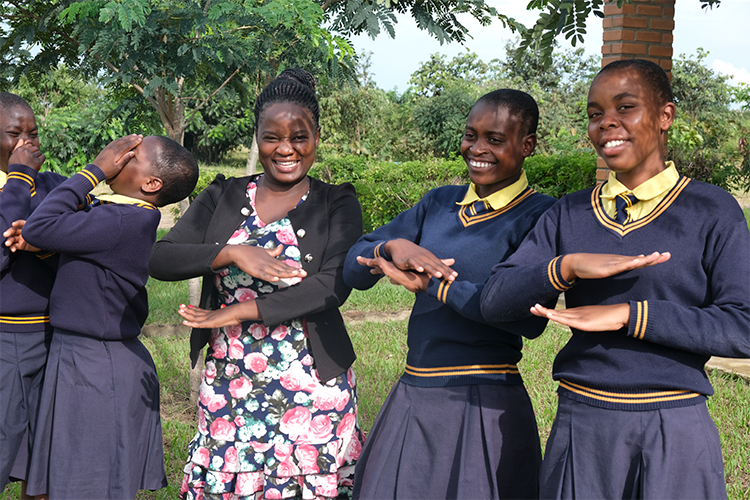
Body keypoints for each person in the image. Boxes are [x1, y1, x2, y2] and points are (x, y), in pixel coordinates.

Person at [480, 59, 750, 500]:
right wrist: (565, 267)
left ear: (665, 116)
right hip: (581, 425)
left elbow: (743, 326)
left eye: (625, 107)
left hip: (674, 426)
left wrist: (631, 314)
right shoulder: (569, 213)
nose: (606, 123)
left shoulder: (712, 211)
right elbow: (495, 302)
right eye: (594, 114)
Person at [148, 68, 365, 500]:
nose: (286, 149)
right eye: (272, 137)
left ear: (317, 136)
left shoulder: (336, 201)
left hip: (311, 381)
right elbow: (161, 257)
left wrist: (236, 311)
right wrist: (229, 252)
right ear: (257, 137)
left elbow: (331, 286)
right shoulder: (224, 195)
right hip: (233, 373)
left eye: (299, 136)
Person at [343, 89, 556, 500]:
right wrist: (389, 248)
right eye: (470, 135)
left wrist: (435, 286)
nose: (477, 149)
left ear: (527, 145)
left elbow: (527, 318)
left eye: (495, 139)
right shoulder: (439, 203)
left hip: (485, 400)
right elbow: (354, 270)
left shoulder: (541, 215)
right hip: (415, 391)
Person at [17, 134, 199, 500]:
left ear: (151, 184)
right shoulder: (117, 215)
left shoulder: (123, 220)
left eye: (132, 156)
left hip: (97, 368)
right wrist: (47, 243)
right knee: (51, 484)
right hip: (80, 358)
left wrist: (94, 169)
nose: (119, 156)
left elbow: (40, 226)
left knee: (83, 484)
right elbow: (72, 255)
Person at [0, 92, 66, 499]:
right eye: (13, 133)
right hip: (6, 341)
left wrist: (42, 243)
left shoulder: (55, 187)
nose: (27, 143)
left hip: (56, 338)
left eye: (33, 133)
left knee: (45, 459)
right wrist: (18, 182)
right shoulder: (24, 185)